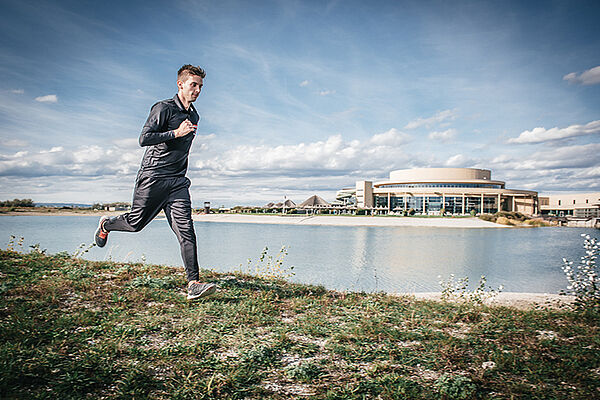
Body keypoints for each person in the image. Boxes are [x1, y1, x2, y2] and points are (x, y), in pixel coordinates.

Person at [94, 64, 216, 300]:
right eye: (193, 85)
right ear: (180, 84)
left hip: (178, 182)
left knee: (186, 231)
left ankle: (194, 283)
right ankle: (106, 224)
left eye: (201, 86)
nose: (198, 90)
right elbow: (144, 138)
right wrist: (175, 133)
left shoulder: (194, 115)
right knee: (135, 224)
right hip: (153, 177)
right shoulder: (163, 108)